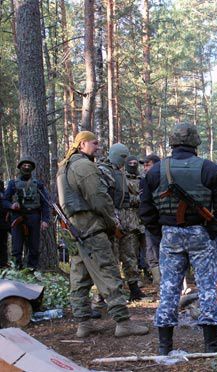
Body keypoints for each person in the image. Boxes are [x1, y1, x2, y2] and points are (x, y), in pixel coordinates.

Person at [139, 123, 217, 355]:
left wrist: (160, 233)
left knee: (169, 288)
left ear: (172, 142)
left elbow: (146, 209)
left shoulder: (156, 170)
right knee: (207, 287)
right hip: (200, 234)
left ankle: (164, 345)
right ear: (195, 143)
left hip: (170, 235)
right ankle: (210, 343)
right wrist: (211, 232)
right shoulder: (208, 169)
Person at [57, 131, 149, 338]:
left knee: (79, 278)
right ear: (82, 145)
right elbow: (100, 199)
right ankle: (123, 322)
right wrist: (111, 222)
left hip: (75, 228)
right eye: (94, 143)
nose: (98, 147)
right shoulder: (84, 166)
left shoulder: (64, 167)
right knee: (109, 272)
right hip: (91, 228)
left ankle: (84, 324)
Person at [98, 144, 145, 301]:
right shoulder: (103, 171)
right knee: (111, 257)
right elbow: (103, 198)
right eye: (124, 159)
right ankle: (107, 294)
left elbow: (124, 197)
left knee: (130, 255)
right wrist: (112, 219)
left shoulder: (120, 173)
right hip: (111, 221)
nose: (127, 163)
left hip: (127, 222)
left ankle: (134, 289)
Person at [3, 159, 50, 269]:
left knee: (34, 247)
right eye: (24, 165)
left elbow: (45, 203)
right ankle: (17, 269)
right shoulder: (12, 184)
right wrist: (11, 206)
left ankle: (31, 270)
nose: (26, 167)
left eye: (29, 165)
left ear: (32, 169)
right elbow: (4, 201)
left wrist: (45, 220)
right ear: (20, 167)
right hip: (17, 217)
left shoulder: (38, 184)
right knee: (16, 246)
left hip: (34, 216)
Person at [124, 155, 148, 282]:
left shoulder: (143, 178)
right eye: (130, 163)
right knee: (131, 253)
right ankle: (134, 281)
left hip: (144, 219)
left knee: (149, 252)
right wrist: (141, 199)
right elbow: (125, 198)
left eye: (135, 163)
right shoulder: (122, 179)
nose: (133, 165)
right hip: (129, 221)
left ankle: (152, 276)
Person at [140, 154, 161, 285]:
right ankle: (159, 282)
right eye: (144, 165)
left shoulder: (164, 178)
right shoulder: (144, 180)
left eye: (148, 164)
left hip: (163, 223)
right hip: (150, 224)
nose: (145, 168)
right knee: (151, 254)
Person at [0, 180, 11, 268]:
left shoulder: (3, 192)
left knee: (3, 243)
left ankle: (3, 263)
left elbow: (6, 203)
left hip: (3, 221)